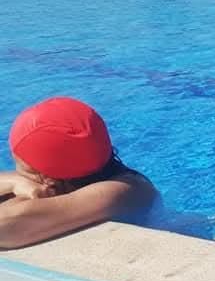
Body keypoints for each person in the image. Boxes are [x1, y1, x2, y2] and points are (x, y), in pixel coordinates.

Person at [0, 97, 156, 249]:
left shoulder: (124, 192)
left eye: (21, 167)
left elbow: (6, 225)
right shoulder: (98, 170)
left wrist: (17, 184)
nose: (16, 173)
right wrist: (15, 182)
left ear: (49, 180)